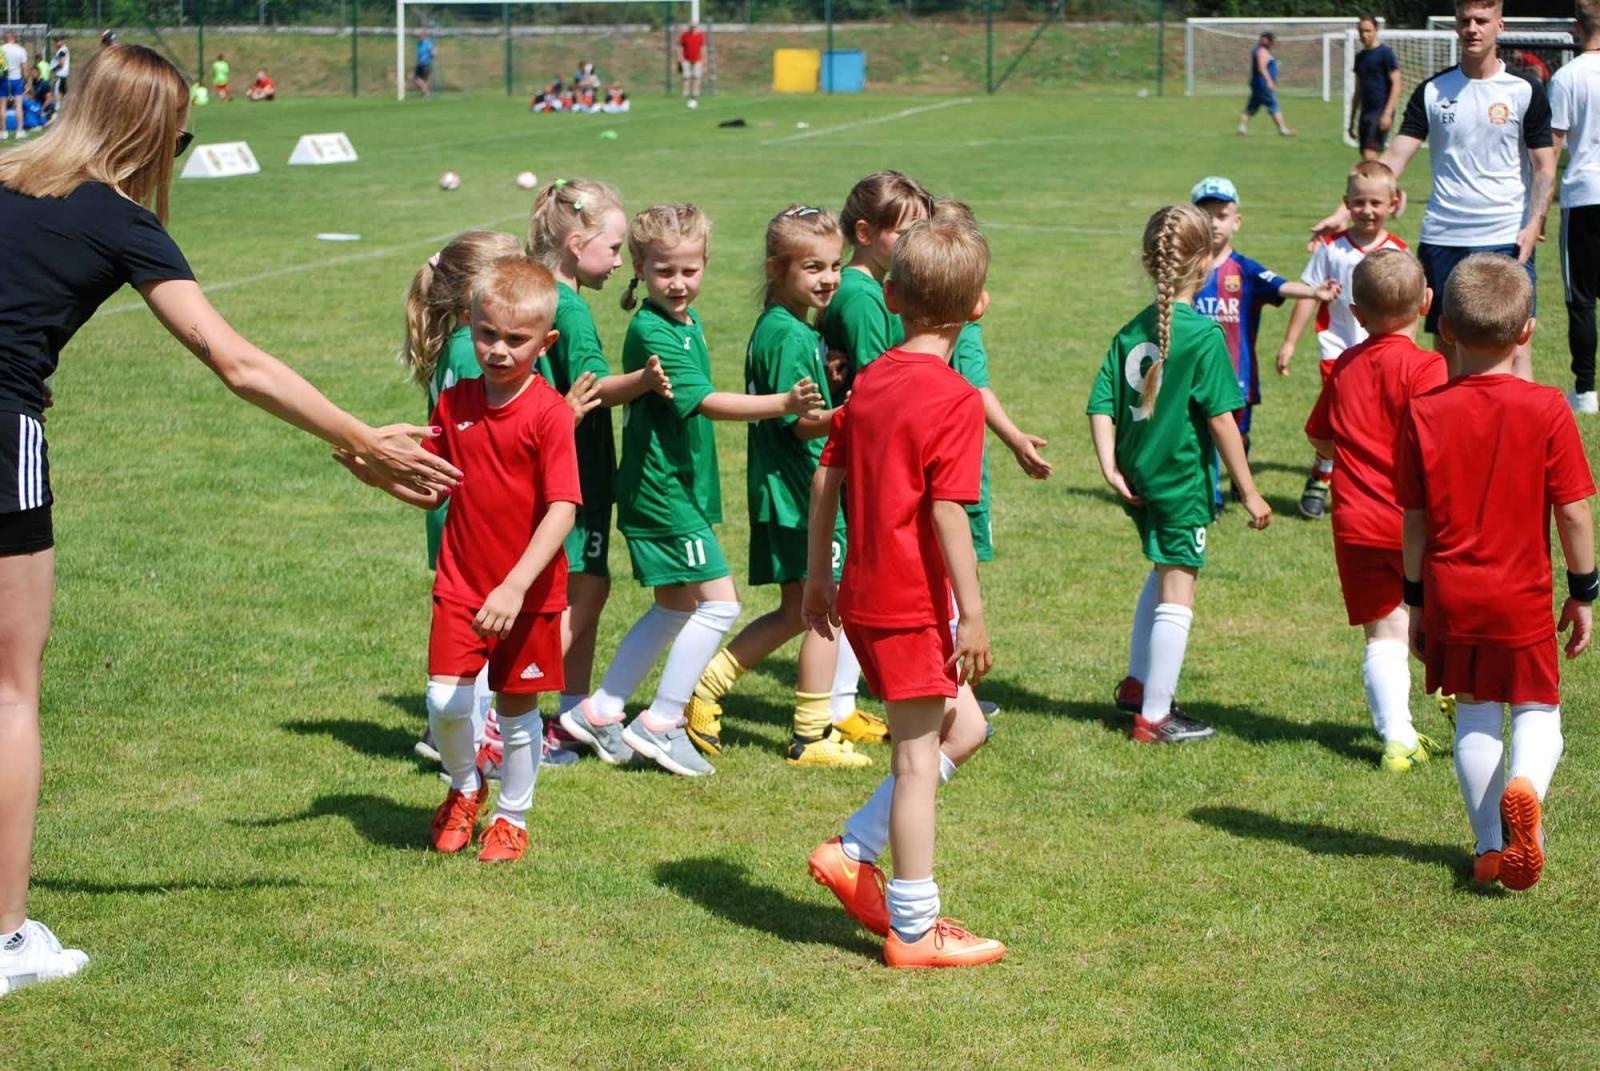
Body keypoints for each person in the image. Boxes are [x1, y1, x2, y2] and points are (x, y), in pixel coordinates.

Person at [0, 43, 457, 996]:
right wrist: (363, 441)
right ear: (154, 134)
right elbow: (239, 363)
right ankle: (5, 940)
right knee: (10, 691)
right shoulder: (123, 222)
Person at [802, 215, 1004, 969]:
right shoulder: (954, 397)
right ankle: (915, 928)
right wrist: (972, 612)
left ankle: (851, 848)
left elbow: (829, 472)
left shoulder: (872, 377)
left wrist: (820, 571)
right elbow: (950, 509)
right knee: (916, 763)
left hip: (862, 597)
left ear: (888, 295)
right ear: (978, 305)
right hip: (908, 606)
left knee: (968, 729)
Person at [558, 204, 822, 777]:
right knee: (720, 604)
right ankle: (662, 721)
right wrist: (783, 405)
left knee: (675, 606)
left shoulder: (685, 322)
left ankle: (601, 710)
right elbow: (703, 400)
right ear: (640, 267)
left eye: (689, 271)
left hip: (674, 487)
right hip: (663, 492)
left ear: (706, 264)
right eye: (664, 272)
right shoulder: (653, 329)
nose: (678, 284)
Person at [353, 256, 580, 865]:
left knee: (515, 708)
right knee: (444, 702)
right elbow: (433, 488)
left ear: (545, 341)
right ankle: (464, 786)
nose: (499, 350)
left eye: (516, 339)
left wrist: (513, 587)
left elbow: (563, 510)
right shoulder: (454, 403)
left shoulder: (551, 414)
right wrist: (375, 474)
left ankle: (512, 819)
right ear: (469, 326)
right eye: (487, 334)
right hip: (461, 583)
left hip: (526, 595)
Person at [1398, 253, 1596, 890]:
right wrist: (1585, 592)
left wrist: (1416, 602)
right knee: (1539, 712)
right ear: (1528, 330)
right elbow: (1573, 515)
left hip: (1454, 593)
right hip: (1524, 597)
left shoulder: (1423, 413)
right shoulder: (1546, 409)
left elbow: (1414, 521)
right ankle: (1526, 788)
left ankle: (1489, 848)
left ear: (1446, 329)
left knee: (1477, 714)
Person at [682, 205, 868, 768]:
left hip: (787, 492)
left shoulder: (786, 326)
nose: (829, 278)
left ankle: (706, 688)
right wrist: (852, 413)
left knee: (796, 611)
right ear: (775, 267)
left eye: (834, 265)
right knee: (824, 610)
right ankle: (811, 735)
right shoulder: (786, 334)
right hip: (800, 495)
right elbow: (800, 421)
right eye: (813, 266)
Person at [1089, 204, 1272, 744]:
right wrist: (1251, 490)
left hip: (1139, 479)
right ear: (1206, 264)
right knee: (1179, 590)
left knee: (1161, 569)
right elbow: (1221, 420)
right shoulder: (1203, 336)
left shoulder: (1131, 330)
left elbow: (1102, 402)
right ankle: (1155, 715)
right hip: (1179, 484)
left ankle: (1137, 684)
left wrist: (1109, 466)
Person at [1313, 0, 1556, 381]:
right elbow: (1392, 160)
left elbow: (1545, 168)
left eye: (1482, 20)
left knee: (1515, 347)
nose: (1473, 28)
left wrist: (1533, 222)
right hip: (1444, 237)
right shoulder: (1432, 91)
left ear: (1500, 25)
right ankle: (1452, 438)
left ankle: (1516, 438)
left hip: (1506, 235)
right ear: (1456, 26)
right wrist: (1342, 213)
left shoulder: (1525, 89)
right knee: (1447, 349)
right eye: (1465, 21)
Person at [526, 179, 674, 760]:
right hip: (575, 474)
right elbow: (589, 388)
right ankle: (505, 704)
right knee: (586, 589)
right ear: (574, 242)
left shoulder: (537, 291)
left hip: (550, 468)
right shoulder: (571, 311)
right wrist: (642, 381)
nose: (619, 261)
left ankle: (568, 714)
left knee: (578, 586)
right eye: (612, 249)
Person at [1303, 249, 1448, 772]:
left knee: (1383, 634)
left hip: (1356, 522)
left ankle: (1398, 740)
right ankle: (1457, 696)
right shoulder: (1430, 368)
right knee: (1438, 614)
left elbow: (1320, 435)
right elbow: (1441, 445)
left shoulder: (1345, 365)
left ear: (1357, 314)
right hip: (1416, 521)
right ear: (1427, 303)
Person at [816, 170, 935, 743]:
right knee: (863, 578)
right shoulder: (862, 298)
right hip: (869, 456)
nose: (914, 244)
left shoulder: (867, 290)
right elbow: (876, 382)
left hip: (865, 451)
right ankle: (834, 706)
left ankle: (845, 701)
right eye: (904, 232)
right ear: (865, 232)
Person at [1187, 176, 1338, 510]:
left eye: (1221, 214)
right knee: (1203, 438)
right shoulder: (1187, 270)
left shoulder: (1244, 269)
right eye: (1205, 214)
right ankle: (1210, 499)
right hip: (1194, 375)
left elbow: (1281, 286)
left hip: (1237, 376)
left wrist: (1315, 292)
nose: (1213, 222)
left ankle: (1240, 465)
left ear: (1236, 221)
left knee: (1234, 436)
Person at [1277, 161, 1407, 520]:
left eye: (1376, 203)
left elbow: (1409, 309)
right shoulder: (1331, 250)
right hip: (1337, 351)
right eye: (1360, 202)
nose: (1367, 210)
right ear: (1346, 203)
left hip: (1384, 356)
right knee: (1340, 421)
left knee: (1380, 423)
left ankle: (1376, 488)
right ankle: (1321, 477)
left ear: (1393, 204)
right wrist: (1289, 343)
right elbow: (1309, 296)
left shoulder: (1399, 253)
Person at [1552, 0, 1600, 414]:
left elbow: (1552, 147)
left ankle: (1585, 391)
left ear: (1575, 27)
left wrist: (1537, 208)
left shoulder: (1567, 77)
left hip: (1583, 195)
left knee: (1581, 298)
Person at [1349, 15, 1401, 159]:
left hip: (1380, 112)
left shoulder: (1385, 53)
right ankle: (1388, 181)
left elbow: (1397, 84)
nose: (1364, 35)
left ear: (1376, 30)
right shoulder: (1360, 57)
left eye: (1368, 31)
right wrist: (1351, 120)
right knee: (1369, 157)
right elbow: (1358, 90)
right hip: (1366, 113)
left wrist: (1387, 113)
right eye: (1361, 31)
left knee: (1369, 155)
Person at [1238, 32, 1293, 137]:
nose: (1273, 43)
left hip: (1257, 83)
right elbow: (1262, 68)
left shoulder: (1258, 50)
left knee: (1251, 107)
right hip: (1262, 84)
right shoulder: (1262, 51)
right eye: (1271, 40)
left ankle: (1242, 128)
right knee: (1274, 105)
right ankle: (1283, 130)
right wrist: (1269, 81)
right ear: (1266, 40)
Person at [2, 33, 29, 142]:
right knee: (18, 105)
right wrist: (26, 82)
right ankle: (19, 131)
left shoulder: (1, 49)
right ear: (14, 38)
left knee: (2, 106)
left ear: (6, 39)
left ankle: (3, 131)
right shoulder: (21, 50)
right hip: (17, 79)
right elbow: (25, 68)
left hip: (3, 79)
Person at [679, 22, 706, 101]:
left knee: (696, 76)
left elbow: (703, 48)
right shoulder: (685, 35)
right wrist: (680, 57)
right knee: (686, 76)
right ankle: (685, 93)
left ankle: (695, 93)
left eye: (694, 27)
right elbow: (680, 47)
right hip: (686, 58)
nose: (692, 28)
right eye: (691, 27)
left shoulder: (700, 35)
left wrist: (704, 59)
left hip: (698, 59)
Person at [414, 32, 435, 97]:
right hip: (420, 64)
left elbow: (433, 52)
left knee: (422, 79)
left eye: (421, 36)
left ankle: (425, 92)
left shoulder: (428, 43)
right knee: (417, 79)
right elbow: (418, 54)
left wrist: (432, 58)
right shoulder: (419, 43)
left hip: (426, 63)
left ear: (424, 36)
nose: (419, 38)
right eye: (419, 36)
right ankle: (426, 92)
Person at [50, 37, 68, 106]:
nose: (56, 43)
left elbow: (61, 63)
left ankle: (57, 107)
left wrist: (53, 69)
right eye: (55, 41)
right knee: (64, 92)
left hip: (60, 74)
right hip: (63, 74)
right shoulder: (63, 49)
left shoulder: (62, 50)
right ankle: (67, 106)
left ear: (63, 41)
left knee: (57, 91)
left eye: (58, 41)